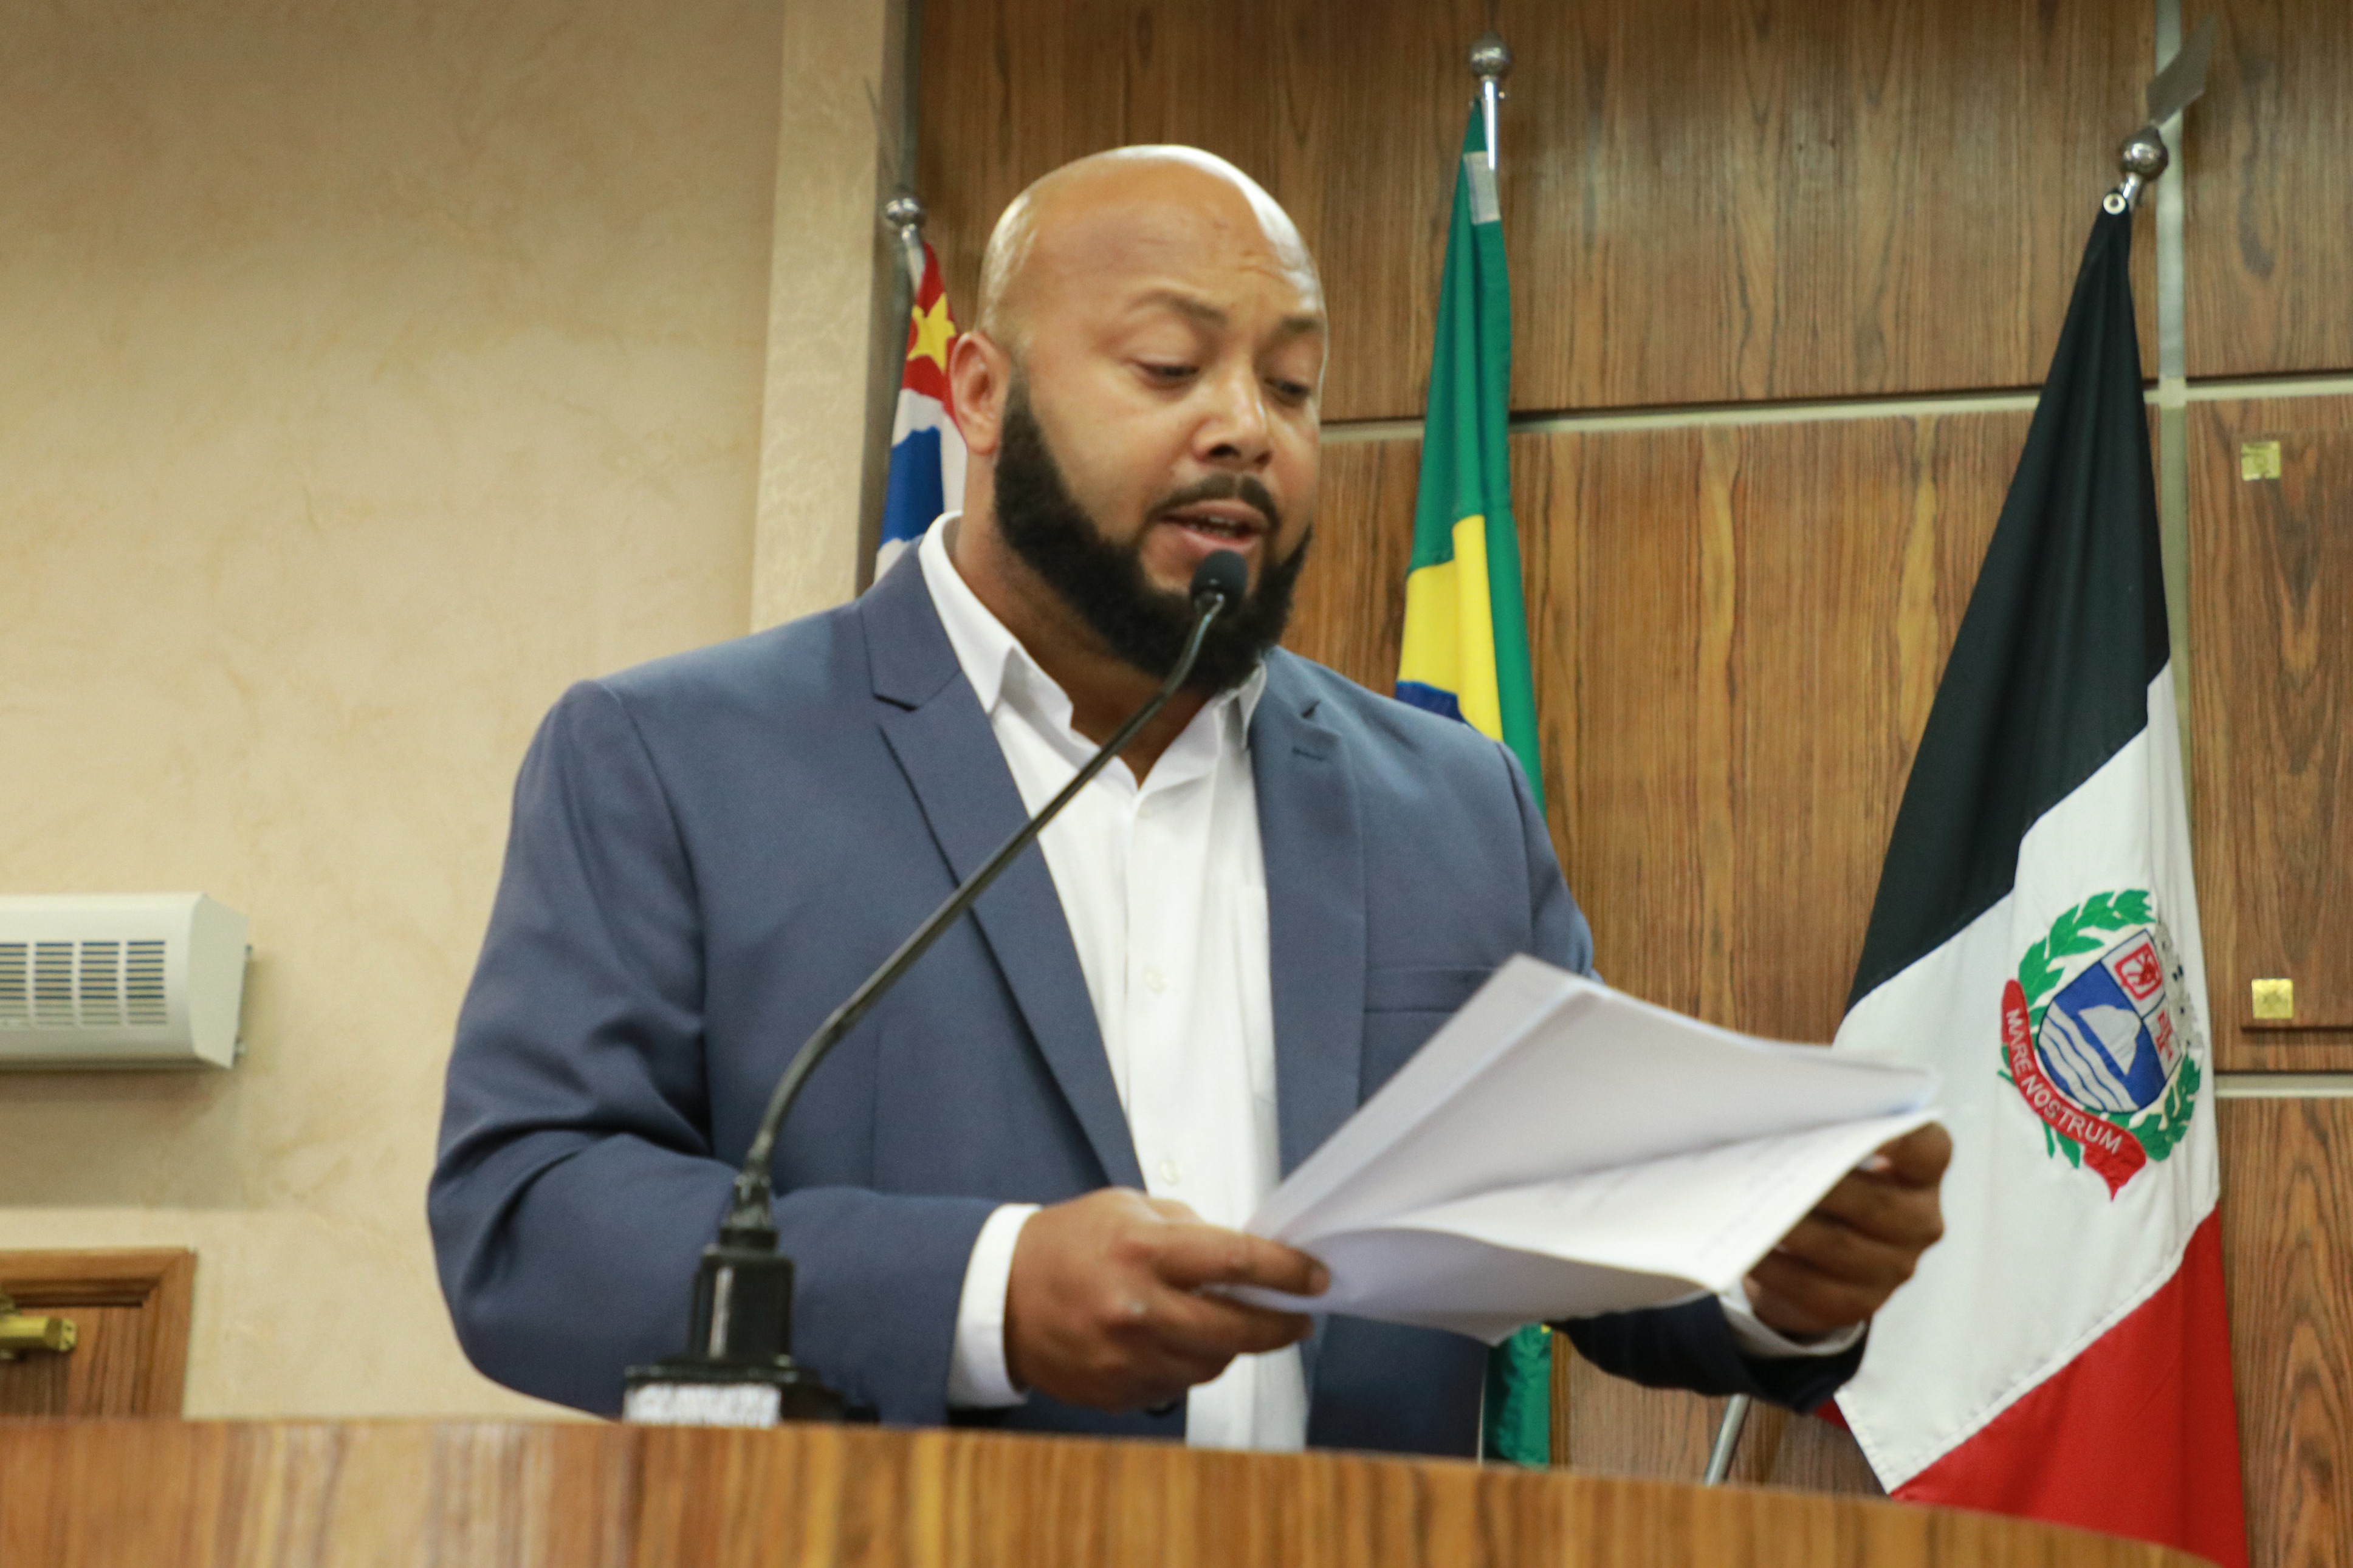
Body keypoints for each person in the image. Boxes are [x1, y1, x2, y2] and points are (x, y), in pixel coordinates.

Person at [430, 147, 1950, 1455]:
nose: (1246, 427)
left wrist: (1771, 1279)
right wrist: (987, 1288)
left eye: (1291, 385)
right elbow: (531, 1220)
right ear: (981, 393)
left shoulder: (1449, 801)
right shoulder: (677, 758)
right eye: (1169, 367)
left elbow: (1570, 1216)